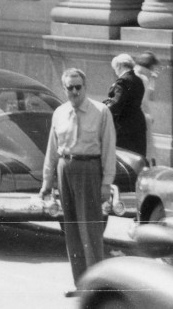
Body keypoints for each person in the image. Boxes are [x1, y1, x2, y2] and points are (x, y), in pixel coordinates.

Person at [41, 67, 116, 294]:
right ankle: (81, 285)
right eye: (69, 88)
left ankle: (97, 288)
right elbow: (52, 149)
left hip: (89, 169)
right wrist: (47, 181)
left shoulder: (101, 111)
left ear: (85, 87)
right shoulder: (60, 113)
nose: (74, 92)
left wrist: (106, 182)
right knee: (72, 230)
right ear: (64, 89)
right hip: (66, 168)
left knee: (90, 230)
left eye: (78, 87)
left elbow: (109, 149)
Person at [103, 53, 147, 159]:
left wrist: (102, 110)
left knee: (126, 158)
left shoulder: (123, 81)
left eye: (115, 69)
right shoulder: (138, 80)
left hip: (125, 128)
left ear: (119, 66)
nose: (116, 72)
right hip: (138, 124)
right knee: (137, 157)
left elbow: (116, 104)